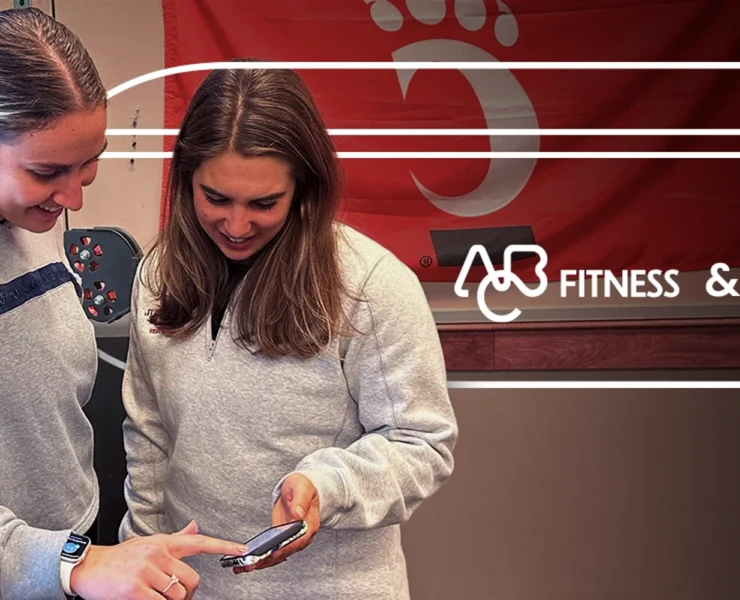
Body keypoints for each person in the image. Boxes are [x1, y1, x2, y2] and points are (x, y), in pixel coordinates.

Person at [119, 60, 459, 599]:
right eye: (216, 198)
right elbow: (149, 429)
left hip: (328, 587)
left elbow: (423, 444)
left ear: (303, 188)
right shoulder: (159, 272)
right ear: (185, 182)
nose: (235, 226)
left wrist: (328, 485)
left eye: (264, 203)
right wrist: (139, 550)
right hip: (191, 585)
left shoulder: (371, 286)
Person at [0, 8, 248, 600]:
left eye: (89, 164)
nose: (72, 197)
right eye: (47, 171)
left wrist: (78, 558)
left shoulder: (34, 220)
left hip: (66, 552)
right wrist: (69, 566)